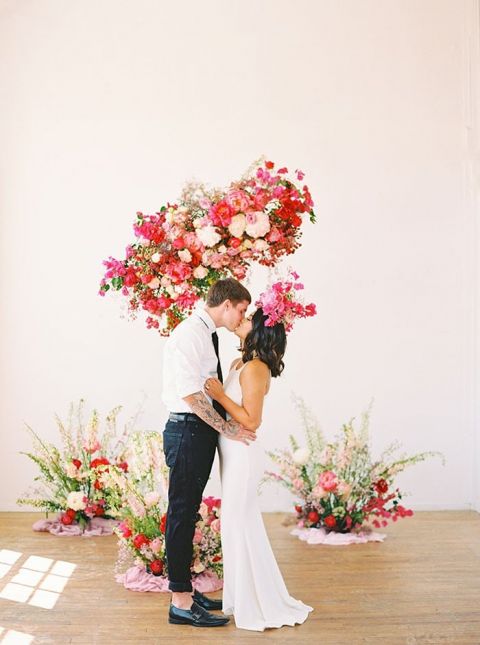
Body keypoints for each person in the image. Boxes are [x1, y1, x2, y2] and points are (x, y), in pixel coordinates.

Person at [204, 278, 315, 631]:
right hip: (232, 451)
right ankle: (240, 597)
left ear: (261, 332)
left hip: (242, 453)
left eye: (249, 318)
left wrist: (220, 396)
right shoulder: (242, 363)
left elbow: (252, 419)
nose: (242, 319)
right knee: (236, 523)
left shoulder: (255, 368)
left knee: (238, 522)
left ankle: (255, 602)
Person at [161, 277, 256, 628]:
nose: (241, 318)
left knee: (189, 514)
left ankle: (186, 592)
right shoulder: (190, 333)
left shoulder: (206, 334)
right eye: (242, 310)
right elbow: (190, 393)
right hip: (186, 429)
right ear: (227, 303)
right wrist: (227, 427)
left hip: (195, 431)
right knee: (182, 514)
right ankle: (180, 603)